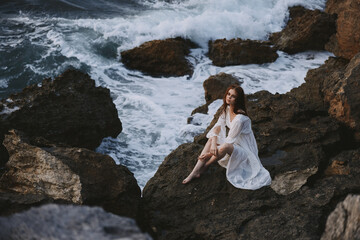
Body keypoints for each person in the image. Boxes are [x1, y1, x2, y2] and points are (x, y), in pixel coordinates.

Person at [182, 84, 271, 189]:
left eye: (233, 96)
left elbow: (229, 142)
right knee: (211, 139)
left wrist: (210, 154)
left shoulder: (240, 119)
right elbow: (218, 126)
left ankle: (205, 166)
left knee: (224, 147)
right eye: (228, 94)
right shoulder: (227, 108)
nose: (229, 97)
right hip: (235, 144)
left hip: (245, 152)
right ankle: (195, 171)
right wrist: (214, 143)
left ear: (237, 100)